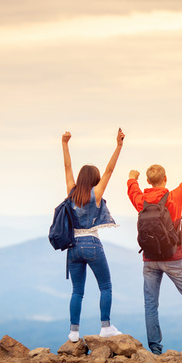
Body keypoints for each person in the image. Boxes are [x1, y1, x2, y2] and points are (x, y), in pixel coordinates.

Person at [127, 129, 182, 354]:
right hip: (174, 259)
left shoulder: (141, 200)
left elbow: (132, 190)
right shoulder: (176, 196)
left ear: (148, 181)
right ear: (165, 179)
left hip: (149, 260)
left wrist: (131, 178)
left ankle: (155, 350)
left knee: (150, 304)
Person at [61, 128, 124, 342]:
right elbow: (110, 169)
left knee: (77, 291)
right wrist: (119, 146)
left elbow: (67, 166)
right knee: (105, 286)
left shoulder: (71, 191)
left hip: (72, 246)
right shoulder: (96, 194)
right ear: (95, 179)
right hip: (91, 243)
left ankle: (73, 332)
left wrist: (65, 143)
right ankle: (105, 327)